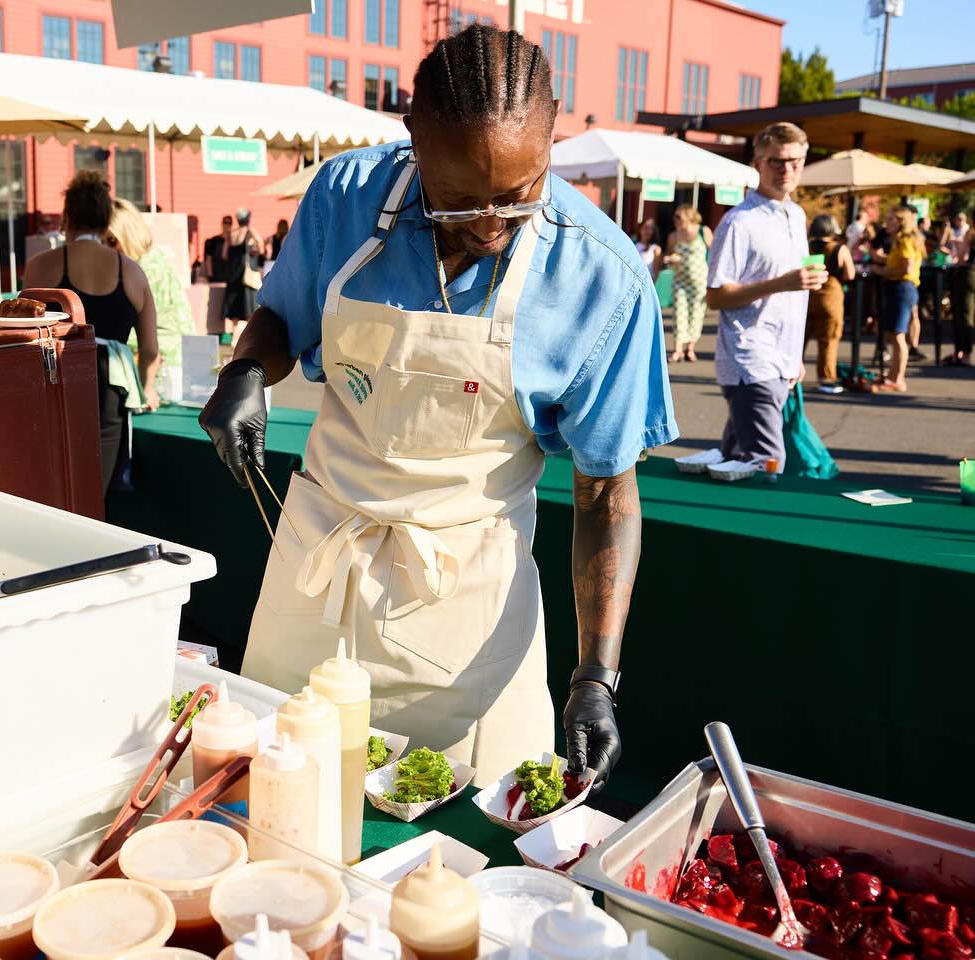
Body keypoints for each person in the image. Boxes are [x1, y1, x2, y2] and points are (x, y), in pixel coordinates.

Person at [198, 23, 676, 788]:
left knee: (449, 868)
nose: (487, 225)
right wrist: (247, 371)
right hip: (316, 568)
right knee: (282, 801)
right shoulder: (344, 198)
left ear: (554, 134)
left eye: (517, 198)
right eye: (454, 201)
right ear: (412, 136)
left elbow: (606, 493)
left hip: (467, 607)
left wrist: (595, 677)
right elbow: (283, 319)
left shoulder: (603, 281)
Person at [24, 171, 162, 494]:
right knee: (98, 490)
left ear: (66, 216)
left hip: (55, 381)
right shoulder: (130, 271)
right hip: (109, 389)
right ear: (106, 220)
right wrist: (147, 387)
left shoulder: (40, 266)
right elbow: (151, 349)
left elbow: (24, 333)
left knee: (56, 484)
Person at [706, 122, 823, 470]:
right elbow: (715, 296)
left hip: (778, 359)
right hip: (750, 358)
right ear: (757, 163)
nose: (786, 169)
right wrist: (782, 282)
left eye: (795, 161)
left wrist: (793, 356)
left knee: (735, 459)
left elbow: (791, 299)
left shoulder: (796, 214)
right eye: (776, 161)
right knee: (767, 462)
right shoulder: (739, 222)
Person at [107, 197, 195, 385]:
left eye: (111, 240)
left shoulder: (148, 269)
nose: (106, 247)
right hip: (161, 359)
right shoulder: (147, 262)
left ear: (127, 235)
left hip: (164, 364)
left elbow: (141, 330)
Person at [871, 206, 922, 393]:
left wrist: (881, 270)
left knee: (899, 335)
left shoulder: (904, 241)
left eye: (891, 219)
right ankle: (893, 375)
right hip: (900, 288)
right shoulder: (899, 241)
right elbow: (897, 261)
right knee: (894, 334)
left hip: (902, 287)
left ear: (901, 222)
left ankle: (897, 379)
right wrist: (881, 259)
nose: (887, 223)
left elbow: (906, 268)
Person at [805, 215, 856, 394]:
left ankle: (789, 376)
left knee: (798, 340)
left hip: (807, 297)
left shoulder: (806, 247)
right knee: (829, 340)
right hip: (831, 297)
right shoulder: (838, 249)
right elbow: (850, 274)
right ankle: (826, 378)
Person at [664, 205, 713, 363]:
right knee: (679, 313)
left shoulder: (702, 231)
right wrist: (671, 260)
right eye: (675, 217)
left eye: (679, 216)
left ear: (689, 216)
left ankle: (690, 348)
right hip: (680, 281)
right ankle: (677, 349)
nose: (676, 220)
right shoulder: (673, 236)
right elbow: (671, 254)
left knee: (696, 314)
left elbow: (714, 253)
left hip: (700, 281)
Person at [221, 208, 263, 341]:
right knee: (248, 308)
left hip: (233, 275)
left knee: (234, 309)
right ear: (248, 219)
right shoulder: (250, 232)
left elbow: (224, 254)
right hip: (245, 277)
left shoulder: (231, 234)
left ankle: (233, 337)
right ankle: (248, 337)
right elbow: (261, 248)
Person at [948, 209, 973, 367]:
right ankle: (963, 352)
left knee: (963, 314)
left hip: (967, 274)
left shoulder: (971, 233)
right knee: (967, 314)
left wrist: (957, 244)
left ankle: (965, 354)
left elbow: (962, 256)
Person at [202, 215, 233, 281]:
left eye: (229, 223)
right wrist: (210, 275)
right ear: (222, 224)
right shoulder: (213, 241)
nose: (227, 225)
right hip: (216, 275)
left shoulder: (233, 242)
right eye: (225, 222)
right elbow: (208, 258)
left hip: (229, 276)